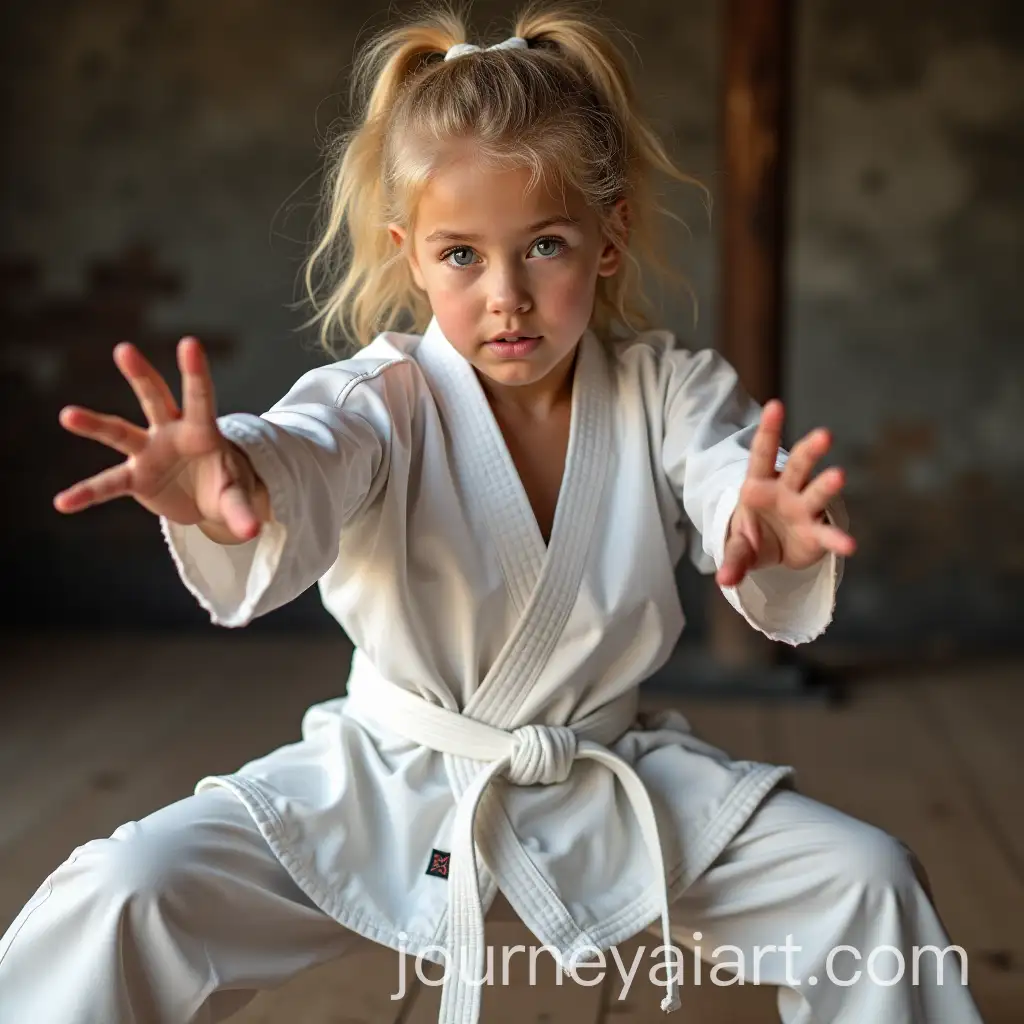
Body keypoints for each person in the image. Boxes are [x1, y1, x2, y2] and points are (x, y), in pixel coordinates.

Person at [0, 3, 983, 1022]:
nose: (505, 294)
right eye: (462, 253)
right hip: (388, 785)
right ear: (410, 253)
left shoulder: (667, 390)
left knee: (865, 879)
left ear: (610, 239)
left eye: (544, 245)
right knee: (123, 890)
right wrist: (232, 482)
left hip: (609, 784)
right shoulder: (377, 399)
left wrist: (754, 514)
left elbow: (723, 465)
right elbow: (306, 455)